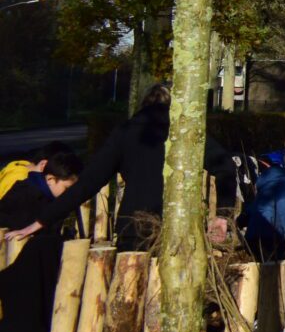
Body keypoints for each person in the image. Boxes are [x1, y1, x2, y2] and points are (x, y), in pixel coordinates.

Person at [11, 84, 171, 252]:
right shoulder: (185, 137)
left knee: (132, 274)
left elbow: (88, 183)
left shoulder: (125, 133)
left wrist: (41, 221)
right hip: (176, 222)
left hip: (134, 224)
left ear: (144, 104)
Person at [0, 147, 80, 332]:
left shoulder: (36, 194)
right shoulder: (27, 200)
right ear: (50, 180)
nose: (69, 195)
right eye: (66, 188)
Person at [244, 158, 285, 262]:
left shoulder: (266, 184)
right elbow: (284, 200)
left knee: (263, 267)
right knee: (275, 268)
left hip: (254, 232)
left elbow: (253, 205)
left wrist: (242, 219)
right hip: (270, 232)